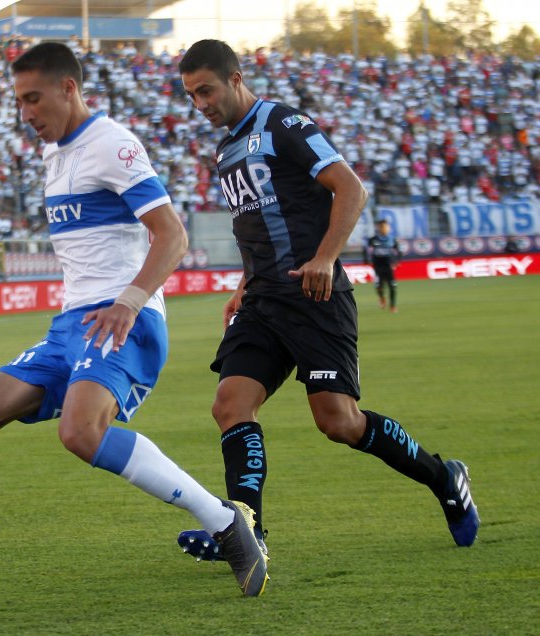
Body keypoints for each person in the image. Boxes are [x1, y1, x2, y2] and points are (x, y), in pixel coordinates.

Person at [0, 42, 269, 597]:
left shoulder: (113, 145)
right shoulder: (55, 153)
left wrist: (128, 301)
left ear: (68, 88)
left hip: (124, 320)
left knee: (80, 432)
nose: (26, 113)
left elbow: (171, 236)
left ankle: (225, 524)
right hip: (71, 326)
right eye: (19, 102)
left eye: (33, 99)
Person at [175, 40, 479, 562]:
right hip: (263, 303)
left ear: (236, 78)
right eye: (191, 95)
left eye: (206, 90)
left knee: (339, 422)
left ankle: (443, 476)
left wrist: (324, 257)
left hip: (316, 297)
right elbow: (256, 225)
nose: (200, 103)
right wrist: (244, 284)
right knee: (230, 406)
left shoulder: (284, 124)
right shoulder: (226, 152)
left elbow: (350, 188)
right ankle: (246, 532)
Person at [364, 219, 401, 312]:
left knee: (392, 286)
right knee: (378, 286)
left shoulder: (392, 239)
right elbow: (366, 250)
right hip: (377, 266)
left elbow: (399, 251)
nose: (384, 229)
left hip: (389, 266)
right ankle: (382, 297)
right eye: (382, 227)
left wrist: (397, 261)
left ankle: (393, 306)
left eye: (386, 227)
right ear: (378, 228)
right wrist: (367, 260)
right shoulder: (373, 240)